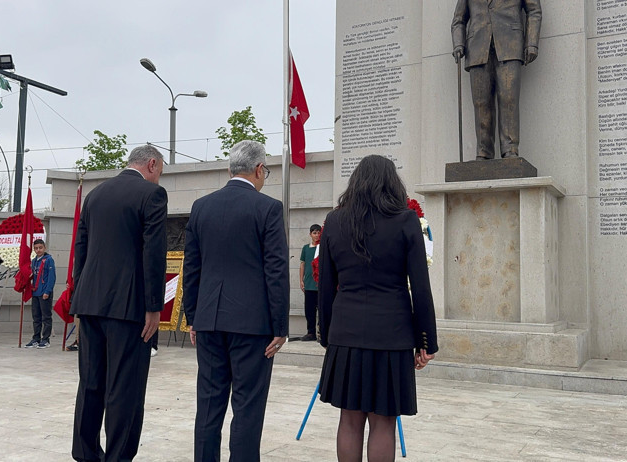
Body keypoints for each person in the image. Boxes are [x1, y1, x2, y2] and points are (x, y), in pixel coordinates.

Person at [317, 155, 438, 461]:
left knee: (350, 419)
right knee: (383, 421)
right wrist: (427, 341)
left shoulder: (334, 221)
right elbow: (420, 287)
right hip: (392, 335)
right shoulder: (406, 221)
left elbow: (327, 287)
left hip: (346, 334)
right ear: (391, 182)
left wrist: (328, 336)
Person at [182, 140, 290, 462]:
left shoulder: (202, 207)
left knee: (209, 406)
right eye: (266, 172)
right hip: (253, 325)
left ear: (231, 168)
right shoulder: (267, 208)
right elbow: (276, 270)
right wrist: (280, 326)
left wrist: (192, 317)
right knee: (247, 408)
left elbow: (192, 267)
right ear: (258, 169)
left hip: (210, 321)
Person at [70, 145, 168, 462]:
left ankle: (85, 453)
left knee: (91, 382)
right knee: (125, 388)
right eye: (160, 171)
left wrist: (77, 299)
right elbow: (153, 255)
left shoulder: (95, 195)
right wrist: (154, 308)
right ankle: (117, 457)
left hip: (90, 302)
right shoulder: (151, 195)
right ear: (152, 164)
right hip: (129, 308)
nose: (159, 178)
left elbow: (80, 250)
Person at [451, 0, 542, 160]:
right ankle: (484, 152)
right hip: (477, 48)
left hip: (510, 45)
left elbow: (534, 10)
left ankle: (510, 150)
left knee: (509, 99)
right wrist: (459, 43)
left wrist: (532, 43)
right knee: (481, 103)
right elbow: (458, 20)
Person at [25, 238, 56, 349]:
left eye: (40, 248)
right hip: (36, 292)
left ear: (44, 248)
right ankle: (36, 338)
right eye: (36, 248)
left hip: (44, 292)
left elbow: (51, 278)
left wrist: (47, 291)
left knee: (46, 317)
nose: (38, 250)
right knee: (36, 317)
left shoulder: (49, 260)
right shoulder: (34, 261)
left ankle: (45, 339)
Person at [298, 223, 322, 341]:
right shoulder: (306, 248)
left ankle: (321, 333)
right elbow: (302, 264)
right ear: (310, 234)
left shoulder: (322, 247)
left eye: (318, 232)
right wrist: (301, 280)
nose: (317, 235)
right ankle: (310, 332)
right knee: (309, 310)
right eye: (314, 233)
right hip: (309, 284)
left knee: (322, 310)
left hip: (320, 285)